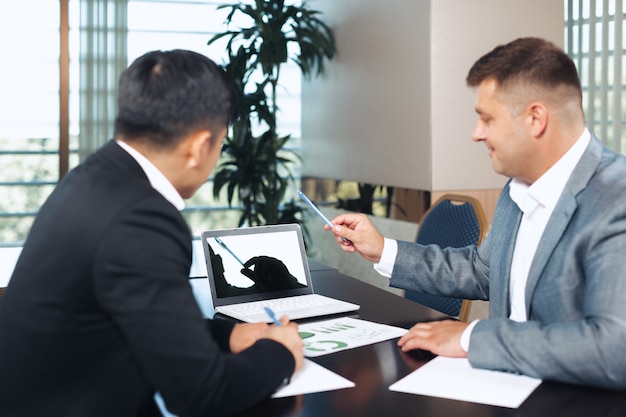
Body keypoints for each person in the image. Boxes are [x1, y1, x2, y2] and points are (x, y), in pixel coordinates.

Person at [0, 49, 304, 417]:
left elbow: (136, 318)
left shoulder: (94, 178)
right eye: (221, 143)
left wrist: (229, 335)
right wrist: (281, 353)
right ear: (198, 147)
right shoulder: (140, 219)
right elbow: (202, 394)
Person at [328, 37, 626, 390]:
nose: (476, 134)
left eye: (486, 119)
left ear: (535, 118)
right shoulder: (517, 188)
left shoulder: (615, 198)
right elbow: (482, 271)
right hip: (502, 389)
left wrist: (472, 338)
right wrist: (383, 249)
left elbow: (613, 350)